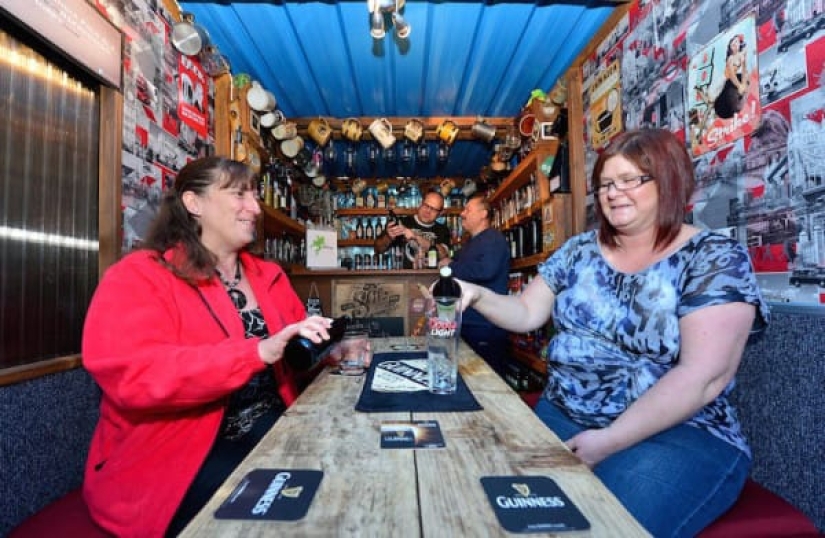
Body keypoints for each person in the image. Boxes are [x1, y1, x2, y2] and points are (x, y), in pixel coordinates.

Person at [455, 128, 770, 537]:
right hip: (563, 415)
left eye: (630, 180)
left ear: (669, 180)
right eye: (605, 183)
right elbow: (526, 312)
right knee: (479, 504)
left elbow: (704, 377)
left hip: (677, 435)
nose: (613, 192)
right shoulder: (578, 251)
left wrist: (609, 440)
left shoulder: (715, 257)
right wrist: (476, 294)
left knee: (596, 527)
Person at [81, 157, 337, 537]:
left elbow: (295, 358)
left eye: (254, 195)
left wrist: (331, 352)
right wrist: (257, 352)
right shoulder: (140, 275)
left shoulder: (270, 275)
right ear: (193, 203)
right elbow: (136, 375)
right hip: (174, 460)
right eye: (239, 195)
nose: (254, 207)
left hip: (273, 430)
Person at [444, 194, 510, 377]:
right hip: (470, 325)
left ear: (483, 214)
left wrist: (450, 266)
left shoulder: (493, 239)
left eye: (467, 209)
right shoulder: (471, 243)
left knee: (488, 381)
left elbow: (485, 271)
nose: (462, 213)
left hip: (486, 327)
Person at [374, 190, 451, 268]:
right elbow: (378, 249)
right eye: (426, 205)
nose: (428, 211)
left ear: (440, 213)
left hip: (431, 278)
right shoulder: (402, 223)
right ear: (420, 204)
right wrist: (389, 237)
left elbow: (444, 255)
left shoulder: (443, 230)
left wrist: (415, 237)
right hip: (403, 277)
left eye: (434, 209)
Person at [713, 33, 749, 120]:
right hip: (724, 79)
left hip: (732, 82)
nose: (734, 43)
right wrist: (739, 85)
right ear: (730, 45)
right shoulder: (730, 58)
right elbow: (732, 75)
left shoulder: (741, 56)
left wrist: (743, 84)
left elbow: (744, 69)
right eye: (733, 42)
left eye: (736, 42)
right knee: (713, 96)